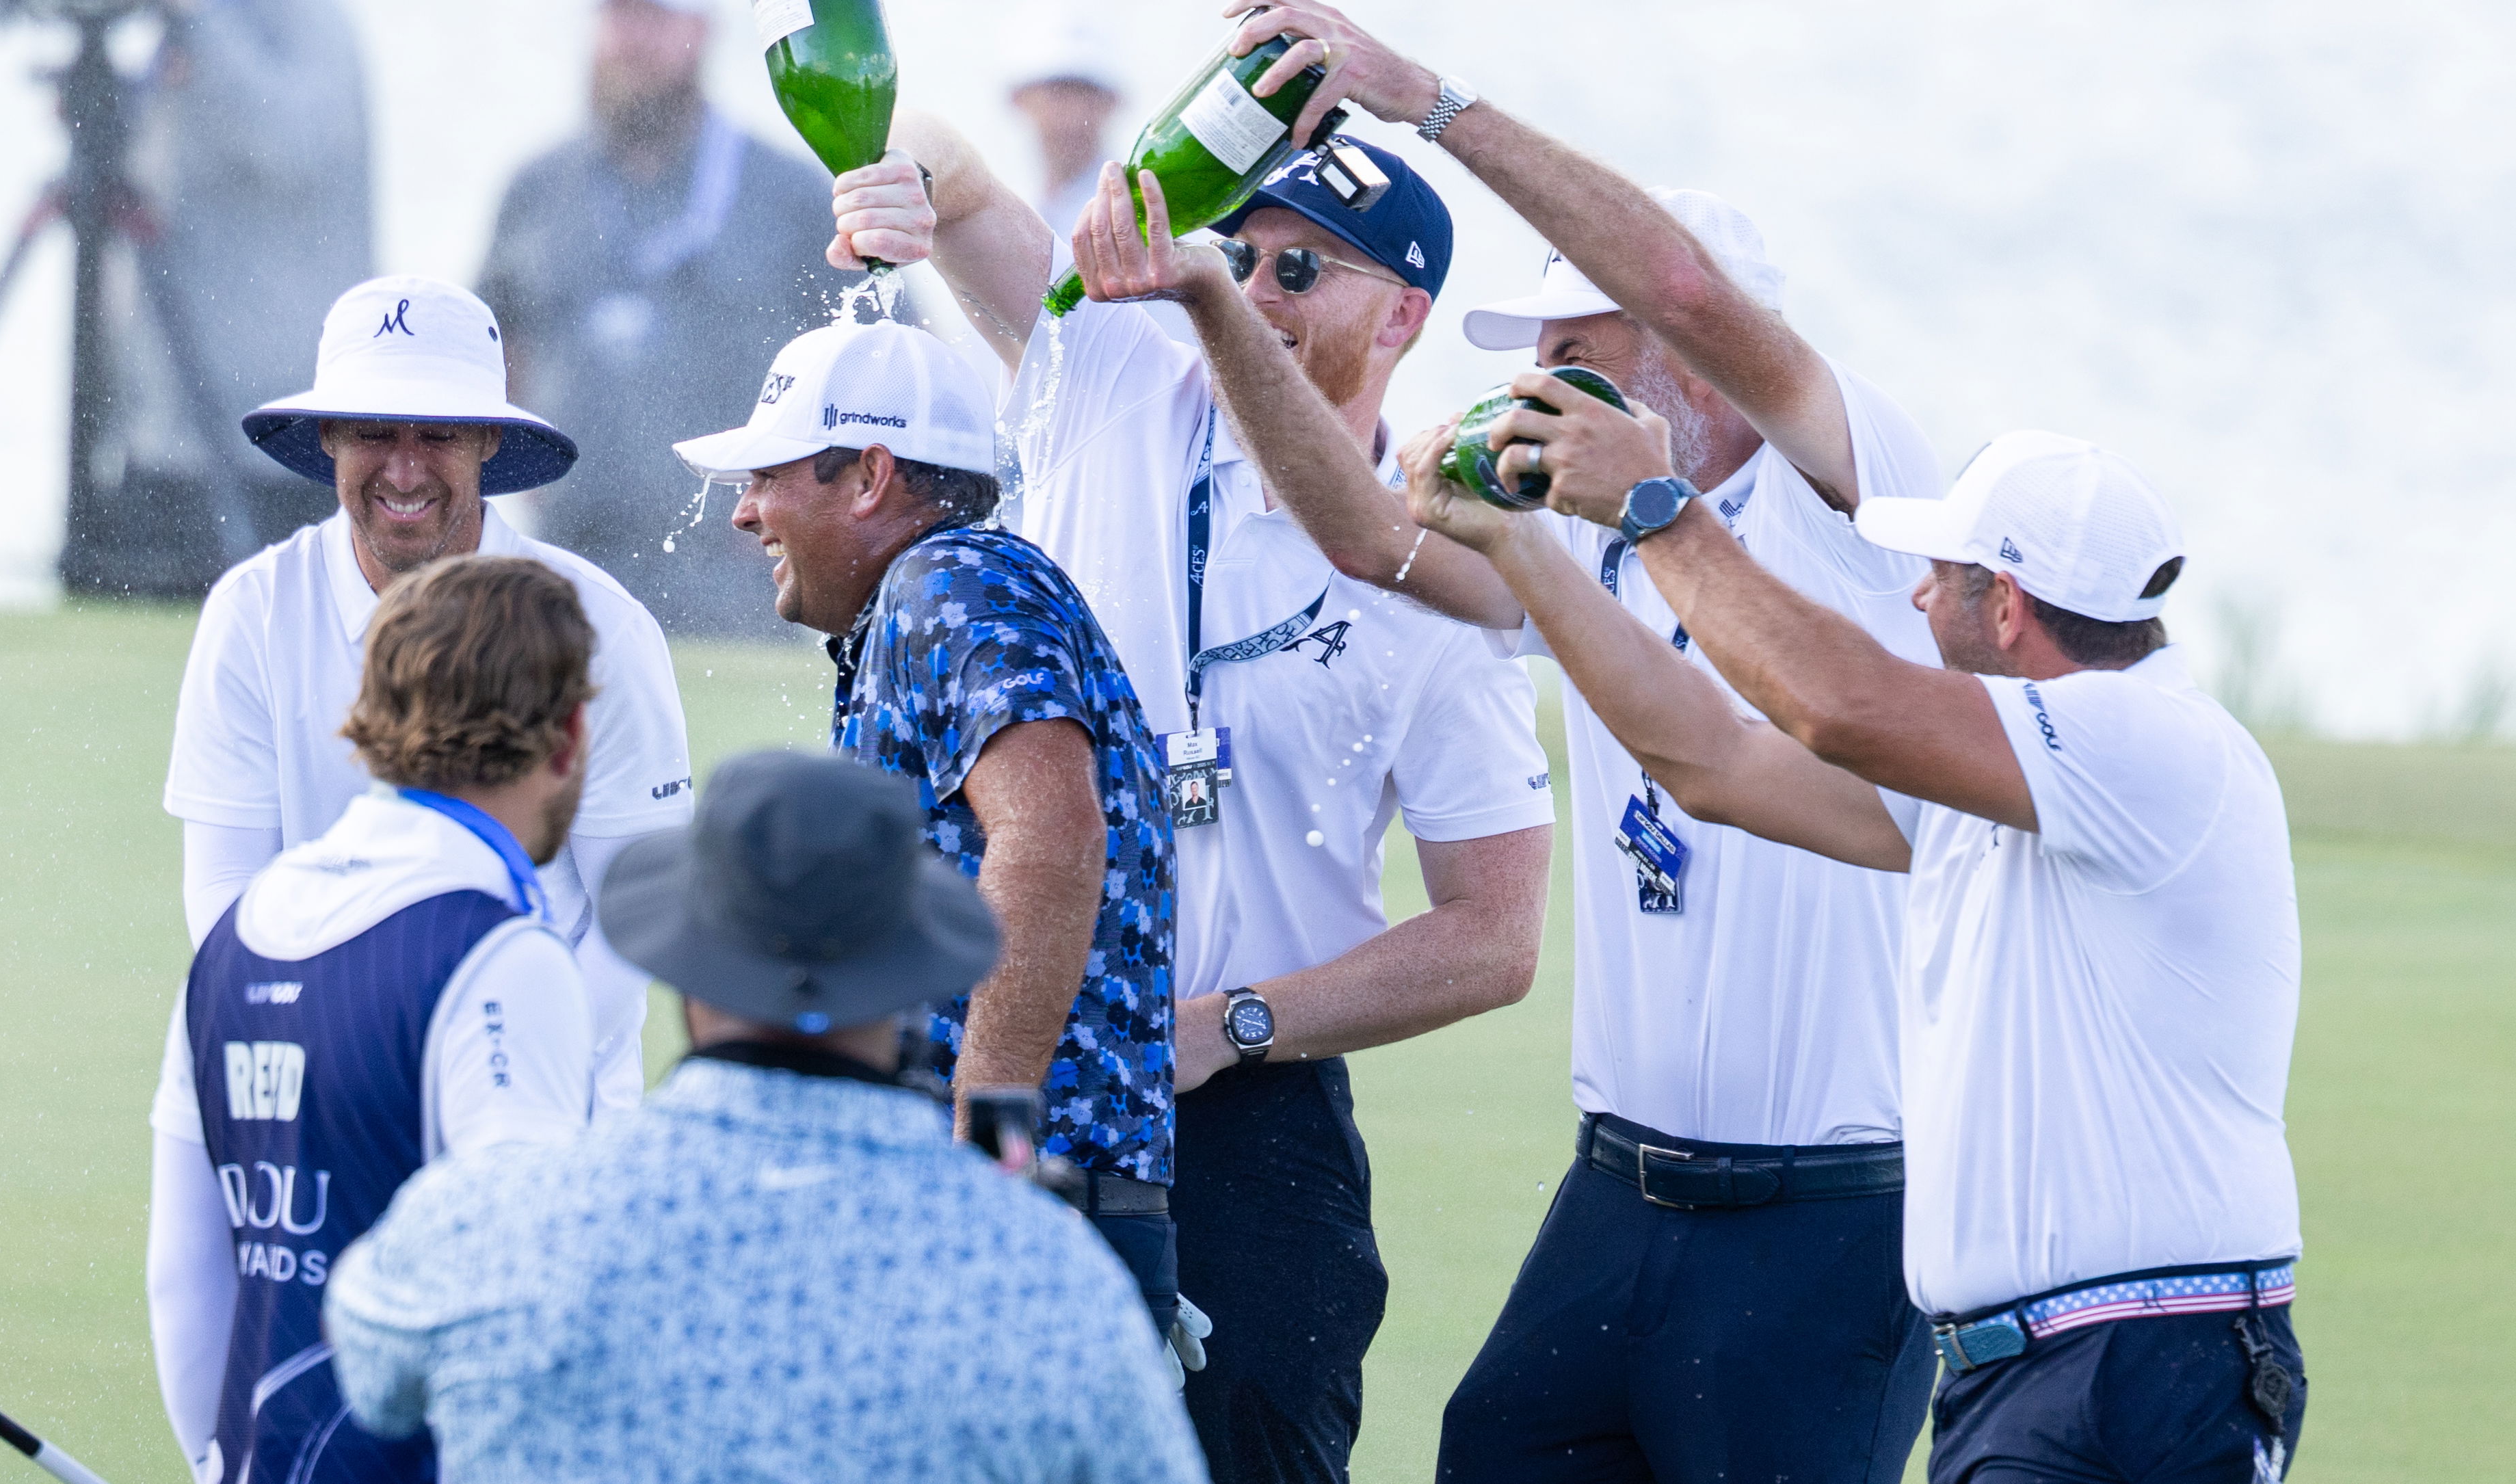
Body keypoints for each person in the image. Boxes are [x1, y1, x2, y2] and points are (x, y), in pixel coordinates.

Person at [1029, 4, 1953, 1476]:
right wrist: (1218, 304)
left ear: (1698, 363)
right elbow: (1363, 538)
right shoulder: (1588, 545)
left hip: (1828, 1203)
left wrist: (1418, 96)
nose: (1538, 386)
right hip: (1615, 1196)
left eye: (1575, 356)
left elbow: (1674, 278)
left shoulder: (1858, 502)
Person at [836, 116, 1559, 1482]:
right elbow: (960, 171)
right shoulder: (1112, 372)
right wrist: (901, 178)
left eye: (1304, 271)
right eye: (1245, 253)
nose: (1260, 288)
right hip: (1007, 1069)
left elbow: (1492, 935)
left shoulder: (1432, 578)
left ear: (1403, 314)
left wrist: (1229, 1026)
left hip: (1249, 1119)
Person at [1404, 425, 2307, 1483]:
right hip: (2030, 1366)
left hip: (2145, 1353)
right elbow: (1715, 758)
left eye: (1940, 576)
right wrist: (1522, 552)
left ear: (2007, 605)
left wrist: (1659, 508)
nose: (1917, 598)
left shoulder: (2140, 737)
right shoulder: (1998, 781)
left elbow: (1839, 705)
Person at [323, 749, 1207, 1482]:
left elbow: (372, 1372)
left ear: (682, 957)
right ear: (909, 978)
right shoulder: (1048, 1282)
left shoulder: (484, 1225)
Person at [674, 318, 1195, 1357]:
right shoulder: (927, 597)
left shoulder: (950, 583)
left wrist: (984, 1155)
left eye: (768, 476)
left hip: (1024, 1211)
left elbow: (1051, 829)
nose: (744, 512)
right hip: (1033, 1204)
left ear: (869, 475)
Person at [167, 274, 693, 1118]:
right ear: (330, 436)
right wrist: (343, 1054)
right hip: (326, 1104)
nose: (404, 467)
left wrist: (488, 1062)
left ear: (486, 441)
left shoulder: (606, 628)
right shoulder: (252, 612)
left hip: (551, 1118)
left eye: (438, 433)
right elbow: (227, 894)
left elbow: (640, 908)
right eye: (374, 431)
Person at [145, 555, 602, 1483]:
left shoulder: (238, 933)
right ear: (567, 734)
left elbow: (184, 1276)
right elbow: (522, 1310)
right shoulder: (502, 955)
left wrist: (215, 1461)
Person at [477, 0, 893, 637]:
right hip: (569, 564)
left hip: (736, 582)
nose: (630, 42)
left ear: (700, 31)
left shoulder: (789, 195)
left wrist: (810, 503)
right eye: (618, 18)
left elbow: (878, 361)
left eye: (654, 19)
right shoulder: (536, 189)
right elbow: (489, 343)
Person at [71, 0, 374, 598]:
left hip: (273, 448)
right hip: (163, 432)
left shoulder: (304, 22)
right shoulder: (180, 30)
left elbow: (294, 146)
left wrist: (199, 20)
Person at [1005, 0, 1126, 248]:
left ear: (1113, 102)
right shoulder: (1007, 200)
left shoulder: (1149, 208)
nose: (1074, 115)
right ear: (1020, 99)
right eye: (1058, 94)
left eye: (1087, 94)